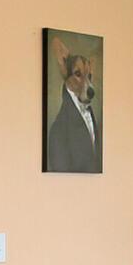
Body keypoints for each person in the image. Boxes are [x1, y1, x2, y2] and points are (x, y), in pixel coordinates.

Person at [45, 39, 102, 173]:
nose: (87, 83)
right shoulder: (58, 131)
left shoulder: (91, 117)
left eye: (88, 76)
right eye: (78, 74)